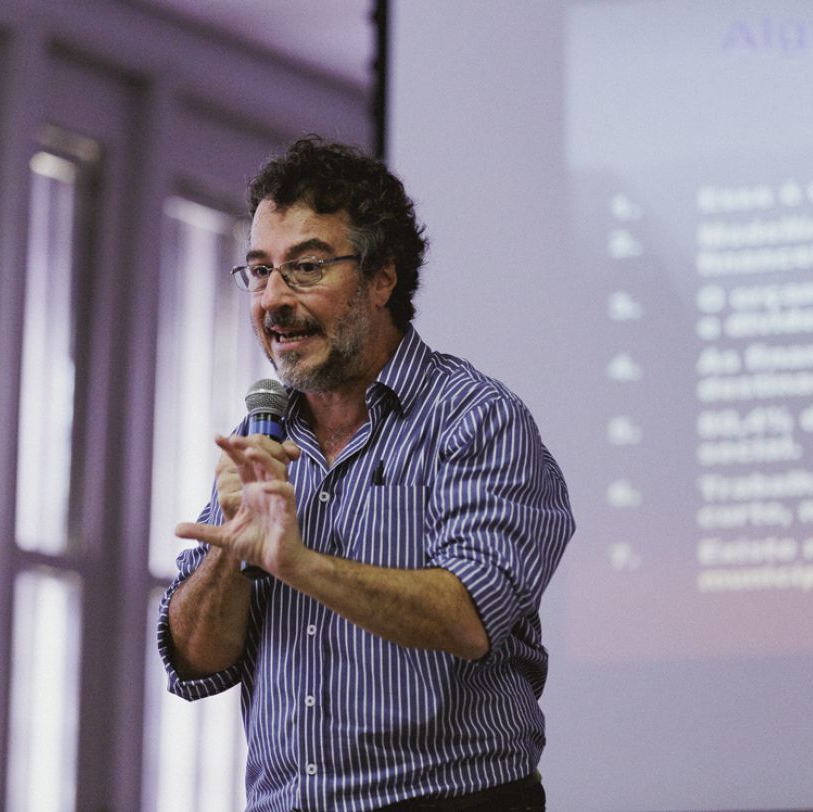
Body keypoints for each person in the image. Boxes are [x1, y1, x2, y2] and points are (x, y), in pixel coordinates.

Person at [156, 136, 575, 812]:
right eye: (259, 272)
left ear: (383, 278)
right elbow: (196, 663)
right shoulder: (259, 438)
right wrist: (229, 554)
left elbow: (468, 616)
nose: (273, 300)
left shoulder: (476, 419)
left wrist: (296, 562)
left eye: (307, 268)